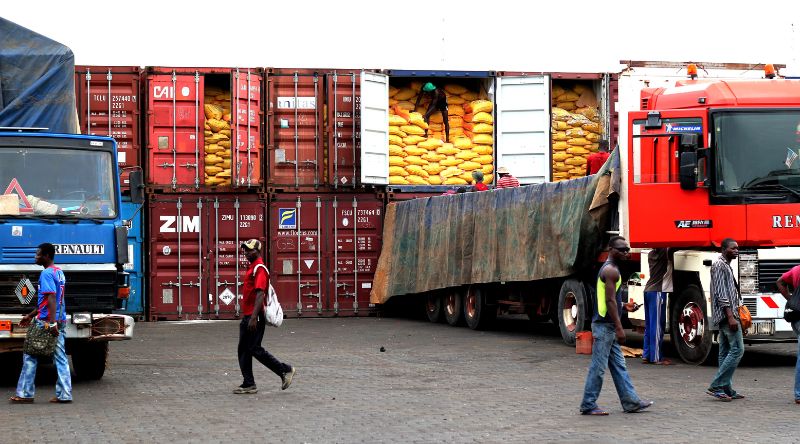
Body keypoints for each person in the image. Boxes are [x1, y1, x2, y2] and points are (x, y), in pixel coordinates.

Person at [580, 236, 652, 415]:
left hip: (606, 326)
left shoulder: (609, 269)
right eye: (622, 250)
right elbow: (609, 300)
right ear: (611, 250)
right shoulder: (611, 270)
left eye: (627, 249)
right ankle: (588, 404)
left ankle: (630, 402)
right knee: (598, 367)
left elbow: (609, 300)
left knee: (619, 366)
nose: (626, 253)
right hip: (605, 327)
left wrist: (624, 306)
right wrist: (620, 328)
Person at [10, 242, 71, 404]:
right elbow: (53, 300)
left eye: (38, 254)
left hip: (45, 323)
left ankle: (25, 393)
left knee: (30, 355)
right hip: (60, 319)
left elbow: (51, 298)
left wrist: (50, 323)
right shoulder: (59, 273)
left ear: (47, 256)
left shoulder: (46, 274)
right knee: (61, 357)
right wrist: (30, 315)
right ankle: (65, 394)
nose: (35, 257)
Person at [234, 239, 295, 394]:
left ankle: (284, 370)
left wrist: (254, 317)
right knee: (244, 349)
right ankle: (249, 383)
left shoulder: (260, 268)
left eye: (249, 250)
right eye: (245, 250)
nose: (246, 253)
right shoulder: (252, 267)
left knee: (254, 348)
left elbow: (260, 294)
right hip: (249, 315)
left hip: (254, 316)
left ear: (258, 251)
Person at [707, 238, 745, 401]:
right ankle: (716, 384)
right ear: (723, 249)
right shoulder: (719, 265)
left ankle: (725, 388)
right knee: (738, 349)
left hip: (729, 314)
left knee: (725, 352)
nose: (736, 250)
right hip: (726, 315)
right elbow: (721, 294)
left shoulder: (726, 265)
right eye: (733, 248)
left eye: (737, 248)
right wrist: (730, 316)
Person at [642, 248, 673, 365]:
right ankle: (656, 358)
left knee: (649, 325)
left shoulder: (651, 254)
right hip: (657, 292)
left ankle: (646, 355)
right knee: (657, 326)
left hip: (648, 290)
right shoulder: (663, 252)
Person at [775, 265, 800, 404]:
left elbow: (779, 282)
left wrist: (791, 299)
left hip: (796, 316)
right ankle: (799, 394)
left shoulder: (796, 270)